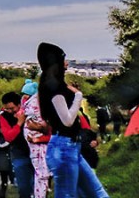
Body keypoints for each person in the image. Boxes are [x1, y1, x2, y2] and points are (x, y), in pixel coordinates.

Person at [37, 42, 110, 198]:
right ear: (55, 61)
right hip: (63, 148)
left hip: (71, 147)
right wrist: (78, 96)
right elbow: (67, 120)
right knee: (68, 195)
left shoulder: (56, 85)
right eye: (63, 59)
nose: (66, 63)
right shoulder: (53, 87)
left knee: (97, 192)